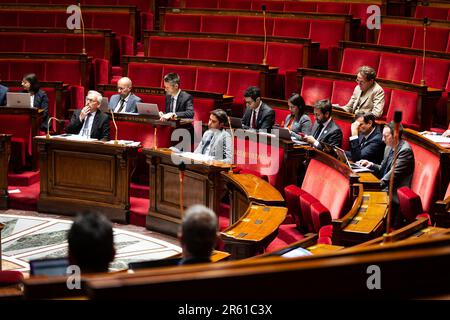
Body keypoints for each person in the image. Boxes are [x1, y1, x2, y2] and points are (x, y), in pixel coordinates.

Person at [358, 122, 415, 225]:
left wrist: (370, 187)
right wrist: (371, 165)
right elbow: (383, 169)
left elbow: (391, 176)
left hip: (394, 194)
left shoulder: (405, 151)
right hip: (385, 187)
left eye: (385, 136)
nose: (382, 139)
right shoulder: (389, 146)